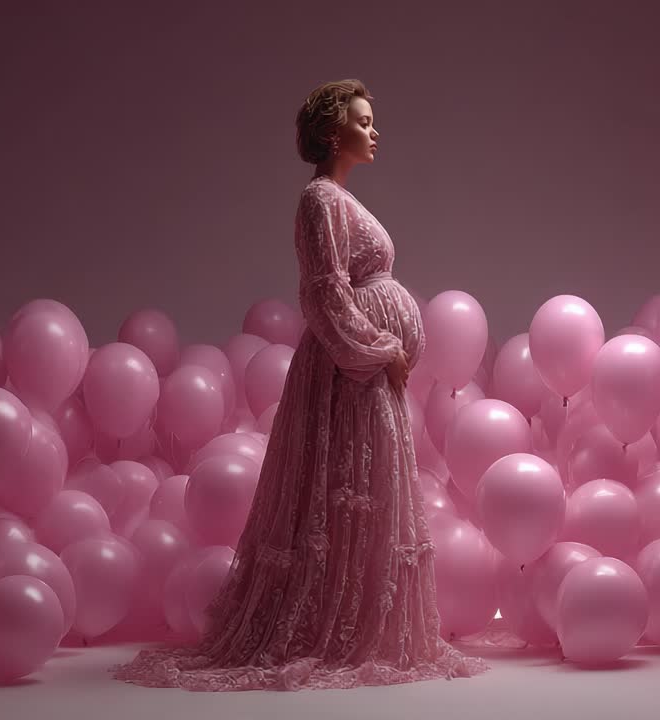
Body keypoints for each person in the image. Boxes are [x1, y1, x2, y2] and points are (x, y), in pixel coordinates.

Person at [112, 79, 489, 691]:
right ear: (333, 132)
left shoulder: (340, 199)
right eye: (362, 121)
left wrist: (385, 354)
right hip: (348, 371)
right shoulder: (318, 200)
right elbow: (322, 291)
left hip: (364, 373)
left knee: (362, 490)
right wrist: (380, 348)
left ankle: (360, 622)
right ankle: (326, 630)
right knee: (342, 491)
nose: (374, 131)